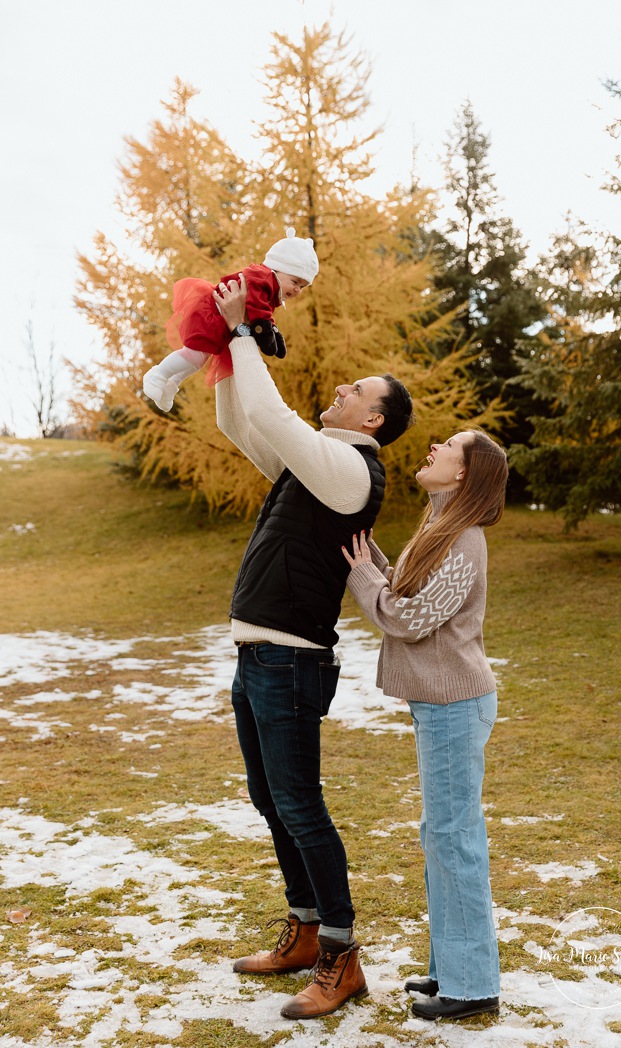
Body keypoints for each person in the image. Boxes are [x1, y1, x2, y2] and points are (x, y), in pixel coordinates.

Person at [213, 275, 415, 1021]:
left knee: (299, 804)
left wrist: (240, 334)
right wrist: (229, 349)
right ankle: (302, 932)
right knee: (270, 799)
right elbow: (244, 423)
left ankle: (340, 955)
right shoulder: (313, 465)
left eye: (354, 386)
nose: (337, 386)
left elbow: (270, 409)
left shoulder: (347, 471)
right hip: (257, 656)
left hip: (291, 662)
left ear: (374, 417)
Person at [342, 429, 508, 1022]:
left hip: (454, 705)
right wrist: (372, 559)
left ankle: (472, 984)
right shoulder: (439, 526)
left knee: (453, 838)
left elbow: (410, 617)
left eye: (447, 446)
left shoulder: (464, 540)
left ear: (464, 474)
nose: (432, 447)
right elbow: (409, 590)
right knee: (441, 835)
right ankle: (452, 967)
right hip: (441, 704)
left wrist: (363, 578)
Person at [142, 228, 318, 411]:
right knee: (193, 353)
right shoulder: (262, 277)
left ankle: (171, 383)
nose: (297, 290)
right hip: (212, 315)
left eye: (303, 287)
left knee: (198, 360)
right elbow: (258, 310)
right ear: (278, 269)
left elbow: (262, 312)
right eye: (295, 281)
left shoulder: (271, 290)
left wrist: (273, 331)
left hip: (221, 322)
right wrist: (265, 330)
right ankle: (158, 374)